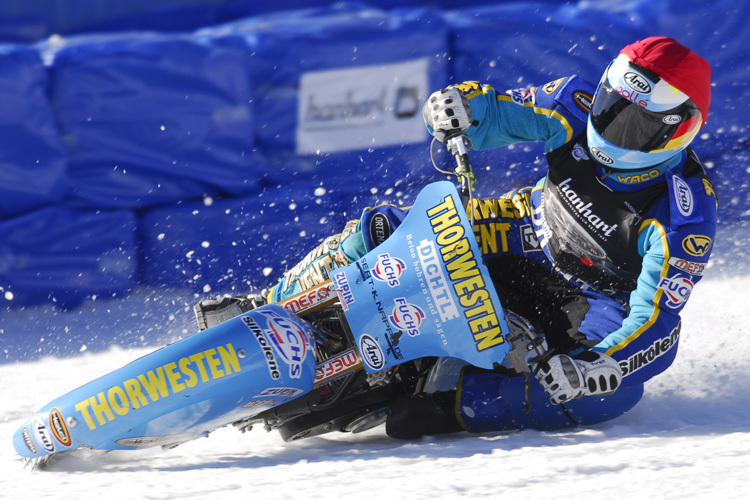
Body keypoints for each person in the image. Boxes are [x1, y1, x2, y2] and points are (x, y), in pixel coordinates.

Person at [195, 36, 717, 439]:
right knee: (382, 226)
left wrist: (601, 364)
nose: (611, 127)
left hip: (598, 301)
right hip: (526, 228)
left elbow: (657, 318)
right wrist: (454, 109)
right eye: (611, 109)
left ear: (680, 129)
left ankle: (451, 402)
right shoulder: (575, 106)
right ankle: (266, 305)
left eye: (634, 125)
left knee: (610, 396)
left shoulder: (683, 215)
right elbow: (499, 111)